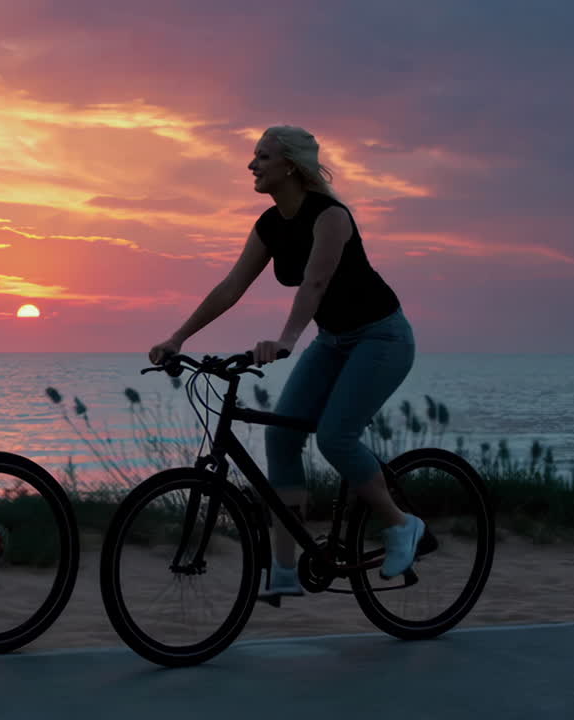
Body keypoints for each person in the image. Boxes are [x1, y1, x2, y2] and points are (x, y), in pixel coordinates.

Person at [148, 125, 424, 599]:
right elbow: (230, 288)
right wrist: (177, 337)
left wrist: (285, 340)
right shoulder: (270, 224)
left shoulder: (331, 216)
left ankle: (402, 526)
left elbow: (314, 286)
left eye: (262, 156)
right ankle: (283, 570)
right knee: (281, 437)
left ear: (290, 165)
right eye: (254, 156)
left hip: (381, 337)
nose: (252, 165)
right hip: (334, 338)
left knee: (337, 436)